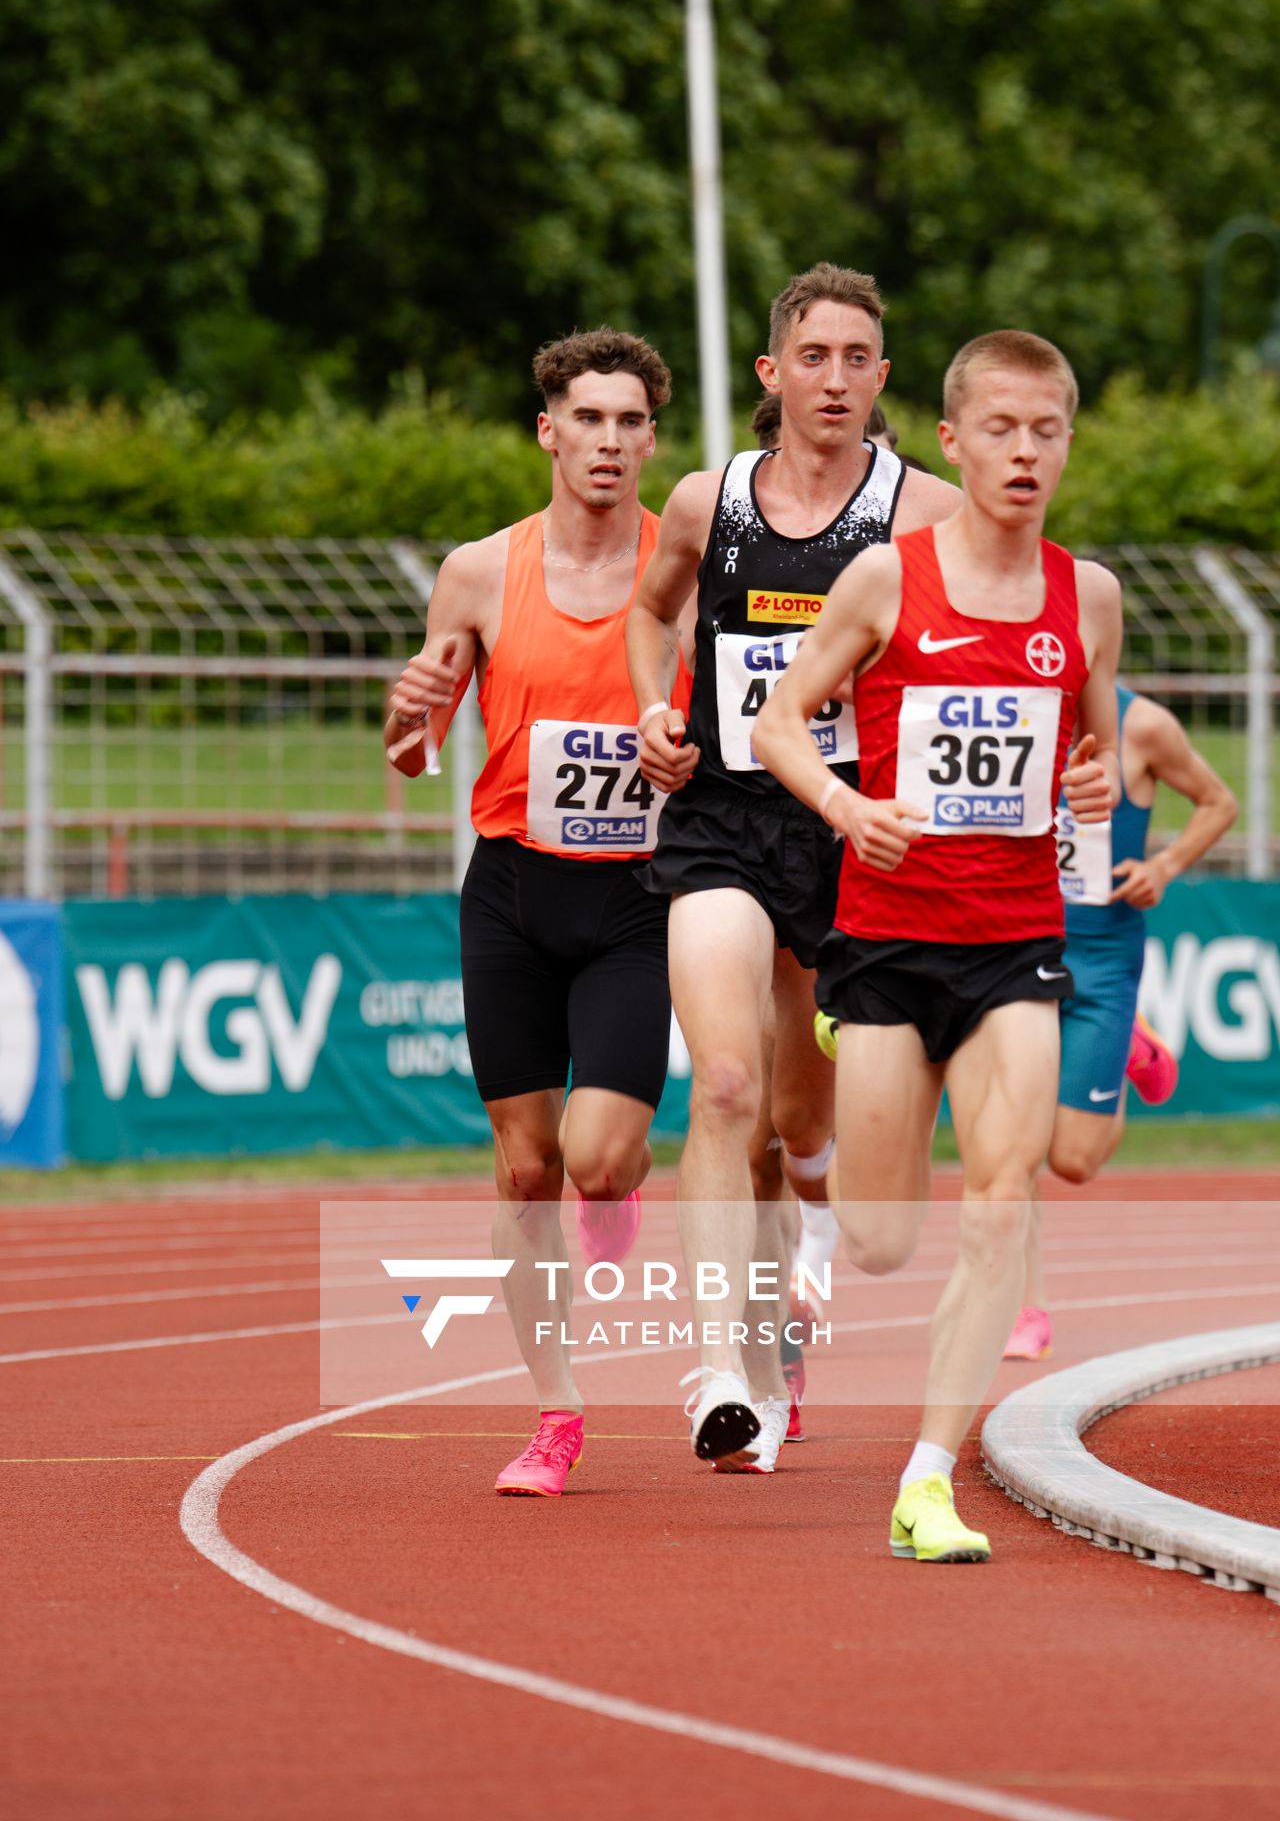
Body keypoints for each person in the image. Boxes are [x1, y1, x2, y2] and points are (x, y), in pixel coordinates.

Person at [753, 328, 1123, 1559]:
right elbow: (776, 726)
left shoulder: (1089, 596)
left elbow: (1096, 739)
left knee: (996, 1205)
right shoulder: (881, 580)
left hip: (1013, 942)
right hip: (884, 940)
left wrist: (1091, 775)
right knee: (876, 1239)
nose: (1024, 453)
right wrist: (846, 806)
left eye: (1046, 431)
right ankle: (833, 1048)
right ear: (952, 442)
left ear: (1067, 441)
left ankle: (926, 1483)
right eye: (1000, 431)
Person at [627, 263, 962, 1474]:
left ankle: (811, 1220)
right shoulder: (703, 502)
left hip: (848, 834)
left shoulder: (919, 512)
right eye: (809, 357)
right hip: (719, 818)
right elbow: (647, 608)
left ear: (881, 378)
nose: (833, 379)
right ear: (772, 375)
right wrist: (648, 712)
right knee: (721, 1087)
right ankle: (719, 1368)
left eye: (854, 359)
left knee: (798, 1115)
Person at [387, 327, 681, 1499]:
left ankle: (616, 1198)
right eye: (588, 419)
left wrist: (682, 758)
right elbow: (414, 750)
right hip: (510, 887)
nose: (607, 442)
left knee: (598, 1164)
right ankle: (556, 1414)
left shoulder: (686, 566)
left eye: (630, 422)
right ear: (547, 431)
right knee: (523, 1172)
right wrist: (405, 714)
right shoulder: (476, 571)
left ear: (651, 440)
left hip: (638, 899)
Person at [1004, 690, 1238, 1358]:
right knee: (1011, 1141)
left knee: (1073, 1161)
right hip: (1014, 950)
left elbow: (1219, 802)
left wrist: (1164, 864)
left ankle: (1129, 1048)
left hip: (1102, 959)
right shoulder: (998, 699)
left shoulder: (1143, 725)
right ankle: (1028, 1307)